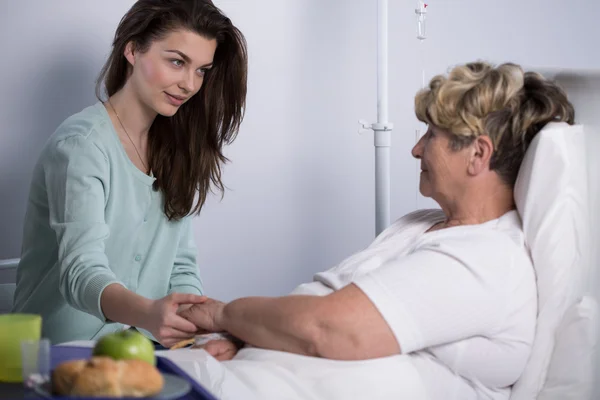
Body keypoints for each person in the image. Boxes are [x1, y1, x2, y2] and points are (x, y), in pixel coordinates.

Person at [177, 62, 575, 399]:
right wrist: (246, 337)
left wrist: (225, 314)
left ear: (478, 154)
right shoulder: (420, 225)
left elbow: (326, 328)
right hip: (242, 380)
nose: (417, 149)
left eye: (432, 135)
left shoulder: (488, 260)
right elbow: (322, 313)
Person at [12, 0, 248, 348]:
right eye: (177, 62)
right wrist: (148, 313)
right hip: (62, 351)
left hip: (144, 349)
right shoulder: (82, 145)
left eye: (201, 70)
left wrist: (197, 329)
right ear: (133, 50)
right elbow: (81, 272)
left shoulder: (175, 149)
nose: (189, 84)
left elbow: (180, 264)